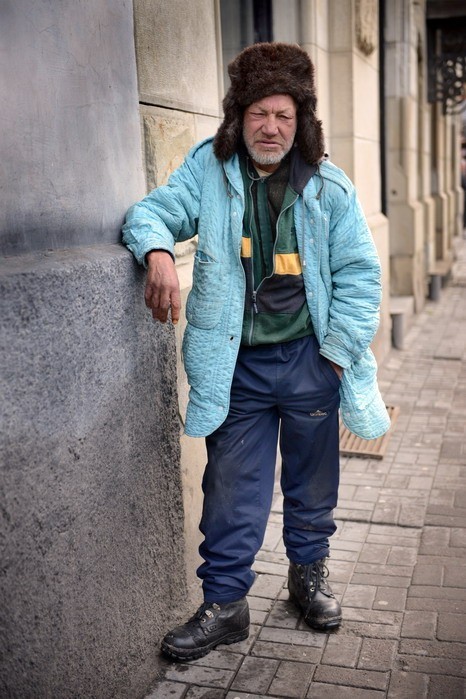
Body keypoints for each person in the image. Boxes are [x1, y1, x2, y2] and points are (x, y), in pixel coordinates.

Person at [122, 42, 390, 662]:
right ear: (238, 116)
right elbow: (152, 212)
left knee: (312, 481)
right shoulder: (208, 171)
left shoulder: (329, 187)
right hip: (237, 365)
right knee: (230, 487)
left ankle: (308, 577)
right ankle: (225, 604)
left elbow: (360, 275)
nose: (271, 127)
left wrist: (335, 354)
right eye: (259, 113)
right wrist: (157, 252)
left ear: (301, 122)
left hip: (310, 360)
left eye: (284, 115)